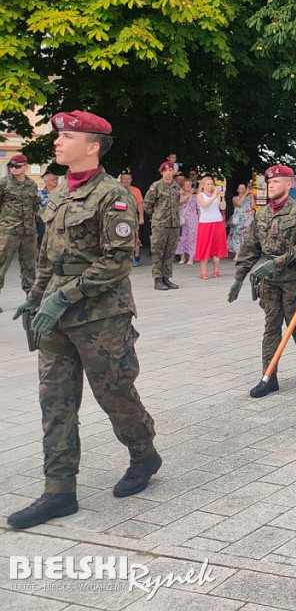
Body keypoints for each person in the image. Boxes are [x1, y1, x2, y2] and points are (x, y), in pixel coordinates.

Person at [7, 111, 160, 530]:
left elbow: (118, 261)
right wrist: (36, 298)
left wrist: (64, 296)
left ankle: (143, 453)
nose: (56, 142)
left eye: (66, 136)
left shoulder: (113, 196)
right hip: (55, 319)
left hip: (101, 318)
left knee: (114, 395)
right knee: (55, 403)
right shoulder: (56, 194)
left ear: (92, 146)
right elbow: (46, 255)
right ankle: (59, 492)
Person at [229, 164, 296, 398]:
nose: (270, 185)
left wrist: (279, 261)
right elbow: (251, 247)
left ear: (288, 184)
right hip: (269, 281)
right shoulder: (261, 214)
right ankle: (269, 377)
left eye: (275, 181)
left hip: (293, 278)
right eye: (268, 182)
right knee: (271, 325)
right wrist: (239, 277)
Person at [0, 154, 40, 306]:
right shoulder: (4, 184)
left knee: (30, 268)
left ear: (26, 167)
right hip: (8, 232)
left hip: (28, 232)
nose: (13, 168)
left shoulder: (32, 185)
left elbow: (34, 207)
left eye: (17, 166)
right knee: (1, 266)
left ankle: (31, 300)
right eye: (11, 166)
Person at [144, 162, 181, 290]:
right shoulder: (156, 186)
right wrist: (156, 217)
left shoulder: (176, 186)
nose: (169, 173)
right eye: (167, 171)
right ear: (162, 172)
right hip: (160, 224)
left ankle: (167, 277)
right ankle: (158, 279)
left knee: (169, 252)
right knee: (158, 252)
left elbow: (177, 203)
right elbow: (147, 205)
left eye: (171, 170)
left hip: (174, 224)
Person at [194, 177, 228, 280]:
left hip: (217, 221)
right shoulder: (200, 195)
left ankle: (216, 270)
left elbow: (223, 207)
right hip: (205, 222)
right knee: (204, 246)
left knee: (216, 246)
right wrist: (214, 196)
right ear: (203, 185)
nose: (210, 186)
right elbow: (204, 205)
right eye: (208, 184)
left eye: (211, 184)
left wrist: (222, 198)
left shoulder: (216, 195)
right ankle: (203, 272)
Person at [119, 172, 145, 267]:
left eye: (128, 178)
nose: (126, 180)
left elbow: (140, 204)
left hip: (132, 217)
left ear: (131, 179)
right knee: (120, 238)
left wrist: (141, 217)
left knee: (135, 238)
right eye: (124, 178)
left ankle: (136, 257)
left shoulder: (136, 190)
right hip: (119, 217)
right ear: (121, 179)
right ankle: (122, 258)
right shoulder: (116, 190)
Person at [174, 178, 199, 264]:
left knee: (192, 238)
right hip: (182, 218)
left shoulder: (195, 196)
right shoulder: (179, 195)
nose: (188, 187)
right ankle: (182, 257)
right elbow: (179, 202)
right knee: (181, 238)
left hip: (193, 219)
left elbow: (198, 209)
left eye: (190, 185)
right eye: (186, 185)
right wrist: (188, 195)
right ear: (183, 186)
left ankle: (191, 257)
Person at [228, 182, 255, 259]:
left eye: (244, 188)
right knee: (237, 235)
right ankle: (237, 253)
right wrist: (246, 194)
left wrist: (252, 195)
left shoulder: (249, 197)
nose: (243, 190)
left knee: (247, 235)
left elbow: (253, 206)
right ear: (237, 190)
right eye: (241, 188)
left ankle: (246, 253)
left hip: (247, 218)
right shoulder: (235, 198)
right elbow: (239, 204)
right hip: (238, 219)